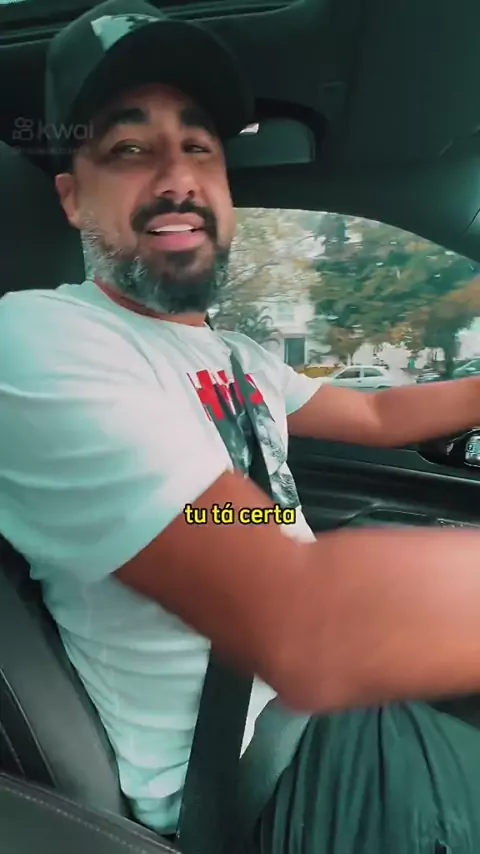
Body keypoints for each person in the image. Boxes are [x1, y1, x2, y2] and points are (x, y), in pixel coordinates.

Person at [3, 1, 480, 851]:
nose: (177, 178)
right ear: (72, 199)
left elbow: (377, 412)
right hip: (260, 781)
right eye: (129, 150)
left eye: (200, 148)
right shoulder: (35, 338)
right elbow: (304, 621)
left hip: (332, 721)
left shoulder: (236, 356)